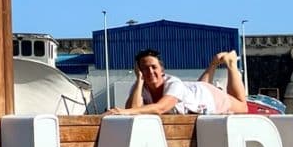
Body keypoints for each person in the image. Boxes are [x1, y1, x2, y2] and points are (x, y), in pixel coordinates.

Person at [105, 48, 248, 115]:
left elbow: (161, 108)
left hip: (207, 96)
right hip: (193, 89)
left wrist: (124, 112)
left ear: (162, 69)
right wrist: (139, 80)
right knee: (200, 85)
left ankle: (231, 63)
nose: (150, 72)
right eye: (144, 68)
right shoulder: (139, 86)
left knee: (242, 107)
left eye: (153, 67)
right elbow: (134, 110)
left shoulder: (174, 83)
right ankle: (213, 64)